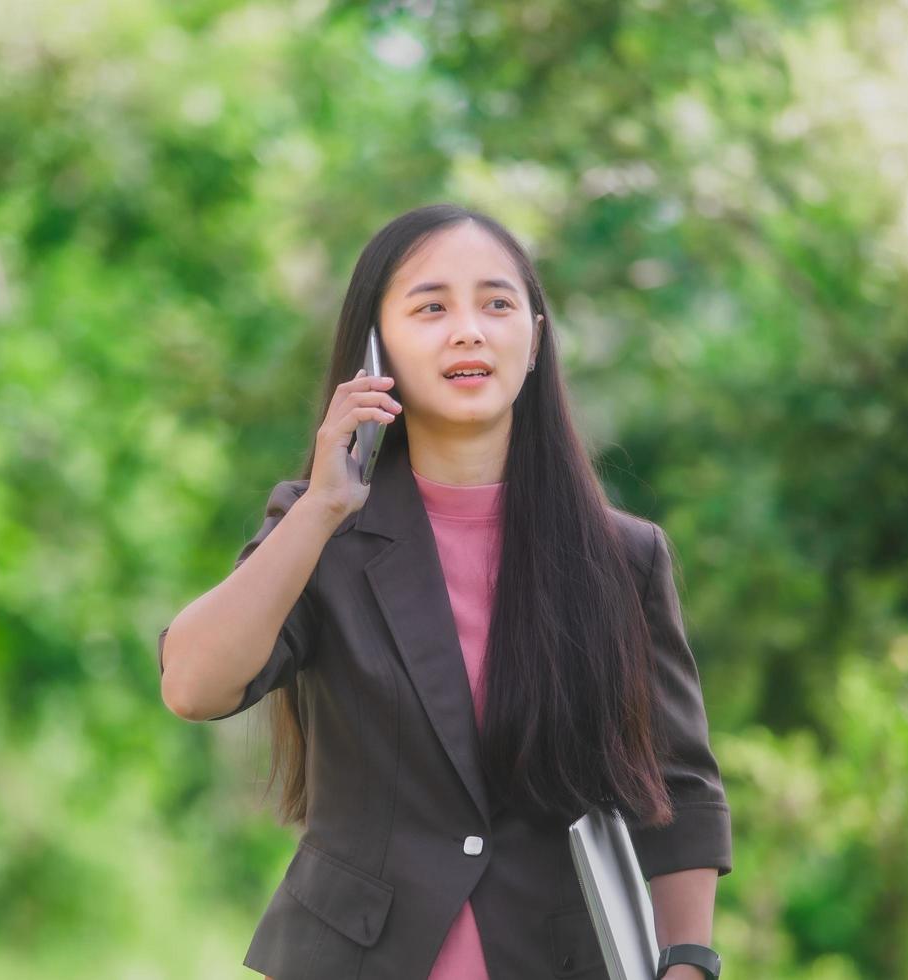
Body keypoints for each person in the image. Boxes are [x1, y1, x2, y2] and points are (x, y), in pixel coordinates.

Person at [157, 203, 732, 980]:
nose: (468, 330)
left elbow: (682, 787)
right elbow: (192, 685)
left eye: (497, 304)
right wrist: (325, 504)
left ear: (534, 341)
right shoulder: (317, 534)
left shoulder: (622, 557)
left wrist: (690, 962)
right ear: (375, 348)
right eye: (431, 307)